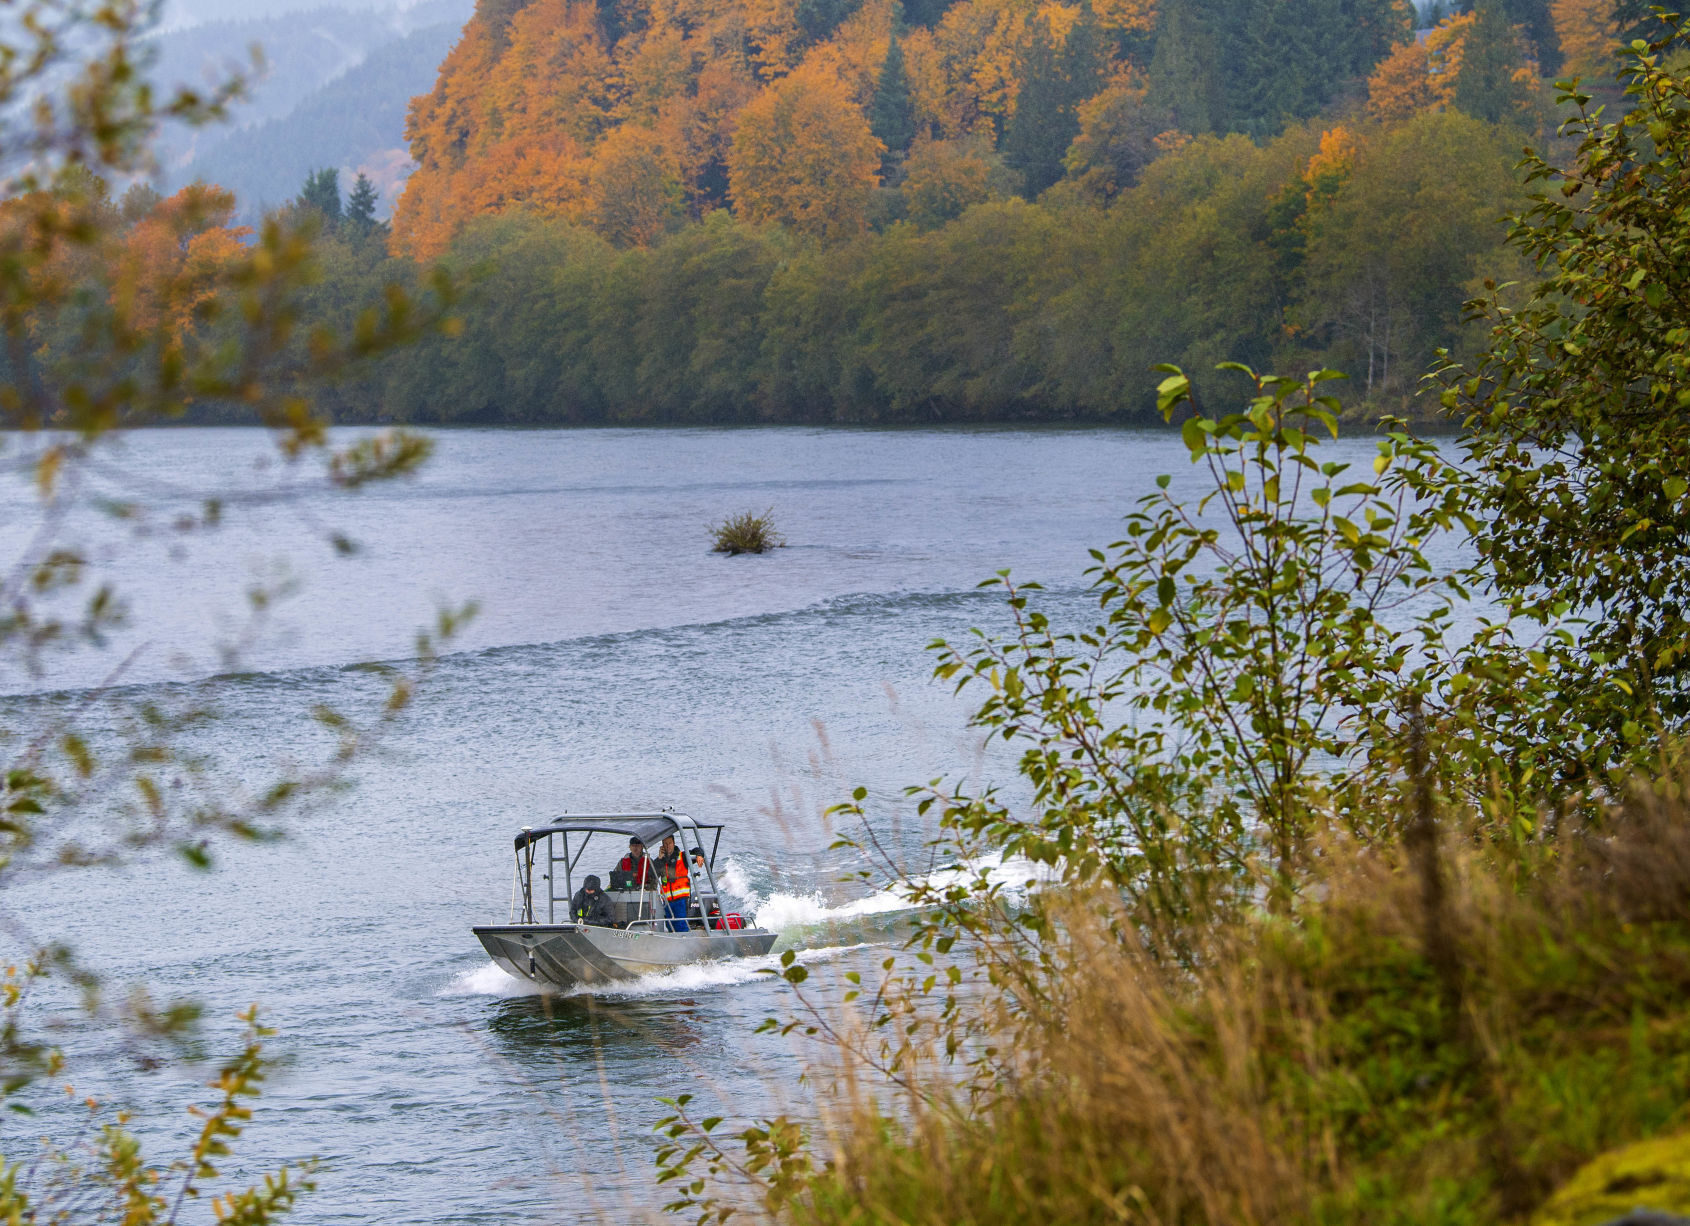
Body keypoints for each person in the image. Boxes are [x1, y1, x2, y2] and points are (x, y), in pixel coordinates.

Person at [656, 834, 691, 933]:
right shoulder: (660, 860)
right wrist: (659, 858)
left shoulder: (682, 856)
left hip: (680, 899)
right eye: (665, 844)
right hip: (667, 901)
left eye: (670, 843)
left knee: (681, 925)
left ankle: (685, 943)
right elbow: (651, 873)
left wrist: (699, 856)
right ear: (662, 846)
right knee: (669, 926)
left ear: (674, 843)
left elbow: (697, 851)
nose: (668, 846)